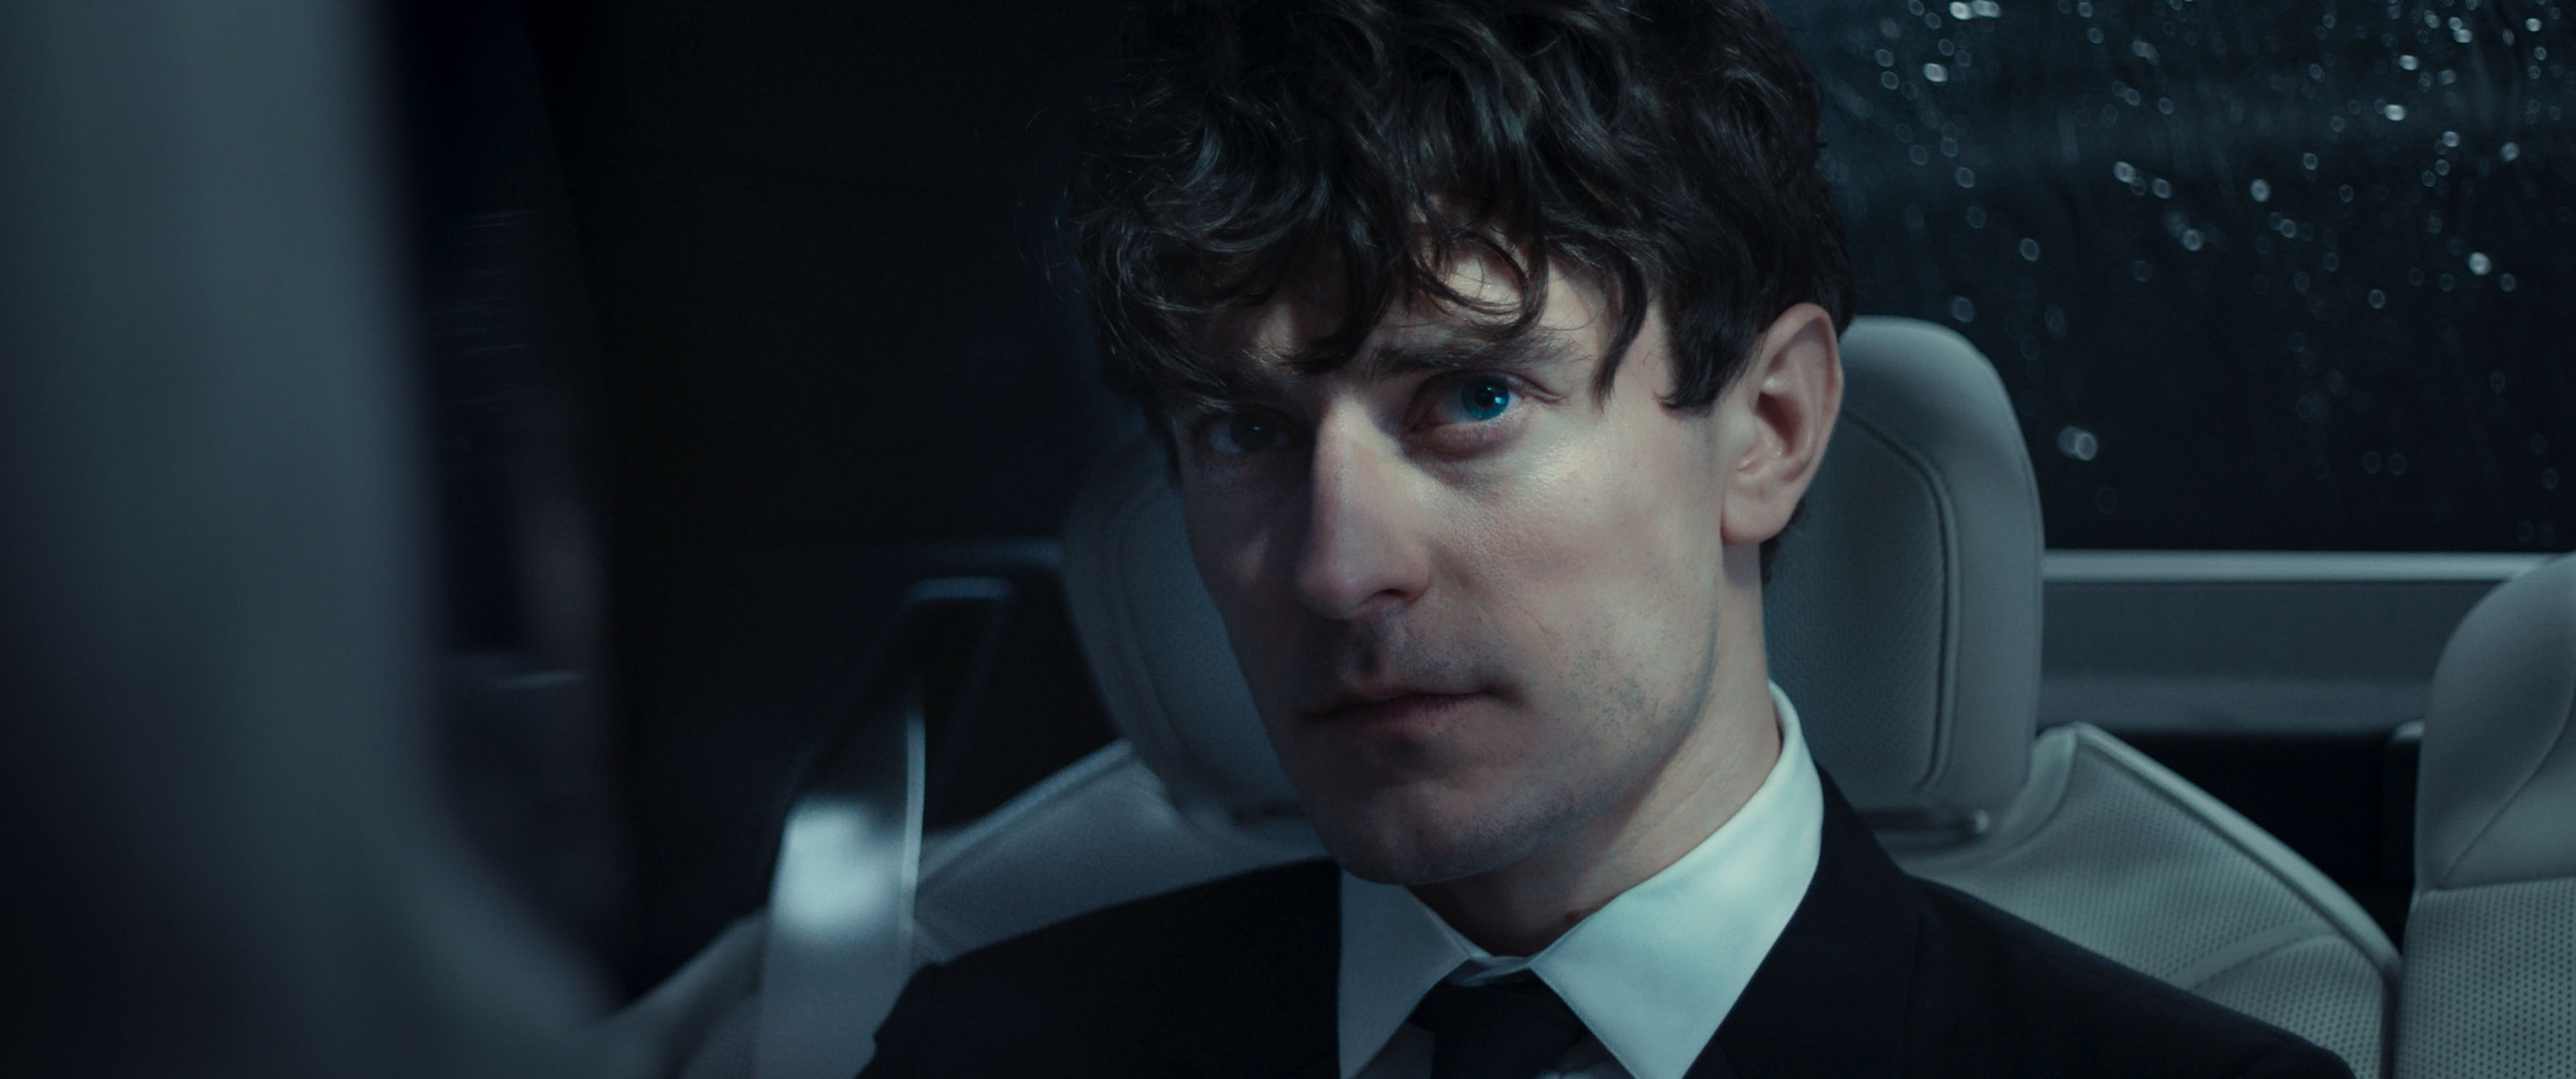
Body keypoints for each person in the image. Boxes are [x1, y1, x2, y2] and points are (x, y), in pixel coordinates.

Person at [861, 1, 2354, 1076]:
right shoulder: (982, 1051)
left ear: (1767, 429)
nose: (1334, 569)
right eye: (1244, 431)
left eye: (1473, 398)